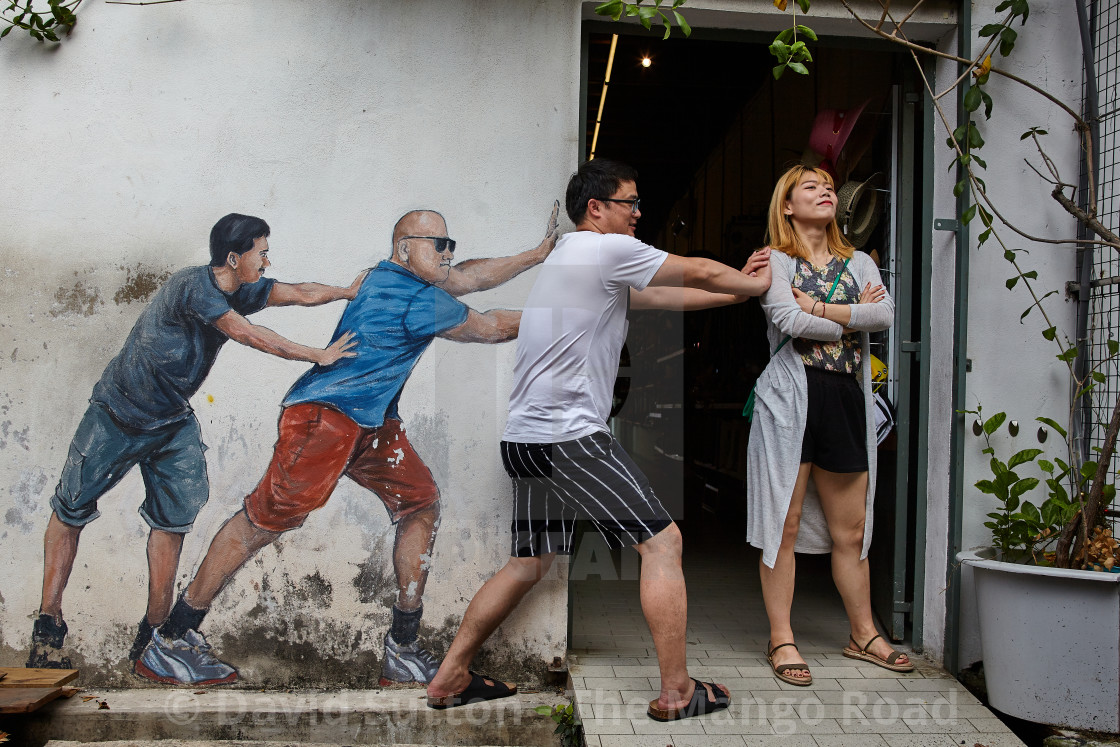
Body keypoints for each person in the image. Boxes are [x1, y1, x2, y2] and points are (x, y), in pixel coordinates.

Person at [136, 206, 559, 687]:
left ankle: (402, 648)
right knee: (262, 522)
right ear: (404, 249)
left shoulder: (388, 276)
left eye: (449, 244)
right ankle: (172, 639)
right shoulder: (414, 298)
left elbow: (466, 278)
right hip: (326, 419)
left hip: (371, 424)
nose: (447, 254)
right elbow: (490, 326)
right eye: (436, 244)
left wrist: (536, 254)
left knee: (419, 503)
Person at [425, 158, 772, 722]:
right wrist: (752, 280)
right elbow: (699, 271)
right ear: (597, 208)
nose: (638, 214)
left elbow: (668, 298)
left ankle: (451, 675)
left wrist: (742, 296)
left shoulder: (569, 260)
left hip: (526, 439)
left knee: (529, 561)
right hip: (569, 438)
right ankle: (677, 691)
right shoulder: (604, 249)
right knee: (663, 544)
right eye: (630, 203)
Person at [28, 213, 364, 670]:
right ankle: (48, 623)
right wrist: (316, 355)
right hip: (117, 413)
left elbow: (299, 293)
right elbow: (247, 333)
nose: (267, 261)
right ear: (233, 257)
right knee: (71, 509)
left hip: (170, 421)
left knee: (174, 519)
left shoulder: (242, 288)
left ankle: (153, 635)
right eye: (260, 253)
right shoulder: (194, 288)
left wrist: (346, 291)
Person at [745, 165, 907, 687]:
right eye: (811, 187)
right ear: (787, 205)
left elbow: (886, 317)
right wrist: (850, 312)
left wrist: (816, 305)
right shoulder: (775, 261)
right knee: (784, 524)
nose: (826, 192)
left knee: (852, 529)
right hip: (792, 398)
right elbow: (787, 324)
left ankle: (863, 633)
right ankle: (781, 637)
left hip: (843, 397)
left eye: (830, 187)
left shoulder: (858, 261)